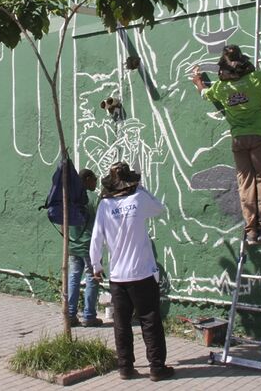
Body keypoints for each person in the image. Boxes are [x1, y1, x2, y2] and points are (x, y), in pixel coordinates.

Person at [191, 45, 261, 244]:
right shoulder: (256, 79)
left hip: (239, 140)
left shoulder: (222, 88)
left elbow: (205, 94)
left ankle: (251, 231)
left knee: (245, 184)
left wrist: (198, 81)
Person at [90, 162, 174, 382]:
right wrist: (142, 188)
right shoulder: (138, 199)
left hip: (117, 276)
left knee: (122, 323)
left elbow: (96, 238)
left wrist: (96, 266)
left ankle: (125, 367)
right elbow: (160, 207)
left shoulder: (104, 206)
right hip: (142, 273)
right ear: (131, 182)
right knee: (149, 319)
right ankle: (157, 367)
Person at [67, 169, 102, 327]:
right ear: (87, 179)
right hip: (90, 247)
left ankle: (70, 314)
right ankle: (89, 316)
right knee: (92, 279)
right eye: (95, 179)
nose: (96, 182)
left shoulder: (71, 198)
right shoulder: (94, 199)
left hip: (73, 245)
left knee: (73, 278)